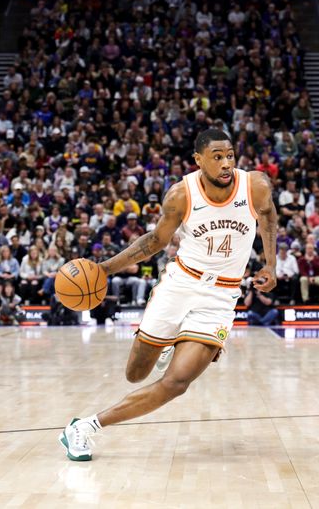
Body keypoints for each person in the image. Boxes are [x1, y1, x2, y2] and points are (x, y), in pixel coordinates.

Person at [59, 129, 278, 461]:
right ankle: (169, 339)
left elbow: (269, 218)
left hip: (221, 297)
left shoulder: (256, 186)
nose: (225, 163)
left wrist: (271, 265)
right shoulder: (180, 195)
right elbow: (153, 243)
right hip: (180, 284)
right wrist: (104, 269)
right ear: (198, 160)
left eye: (230, 155)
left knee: (177, 383)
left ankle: (85, 427)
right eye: (217, 156)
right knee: (135, 374)